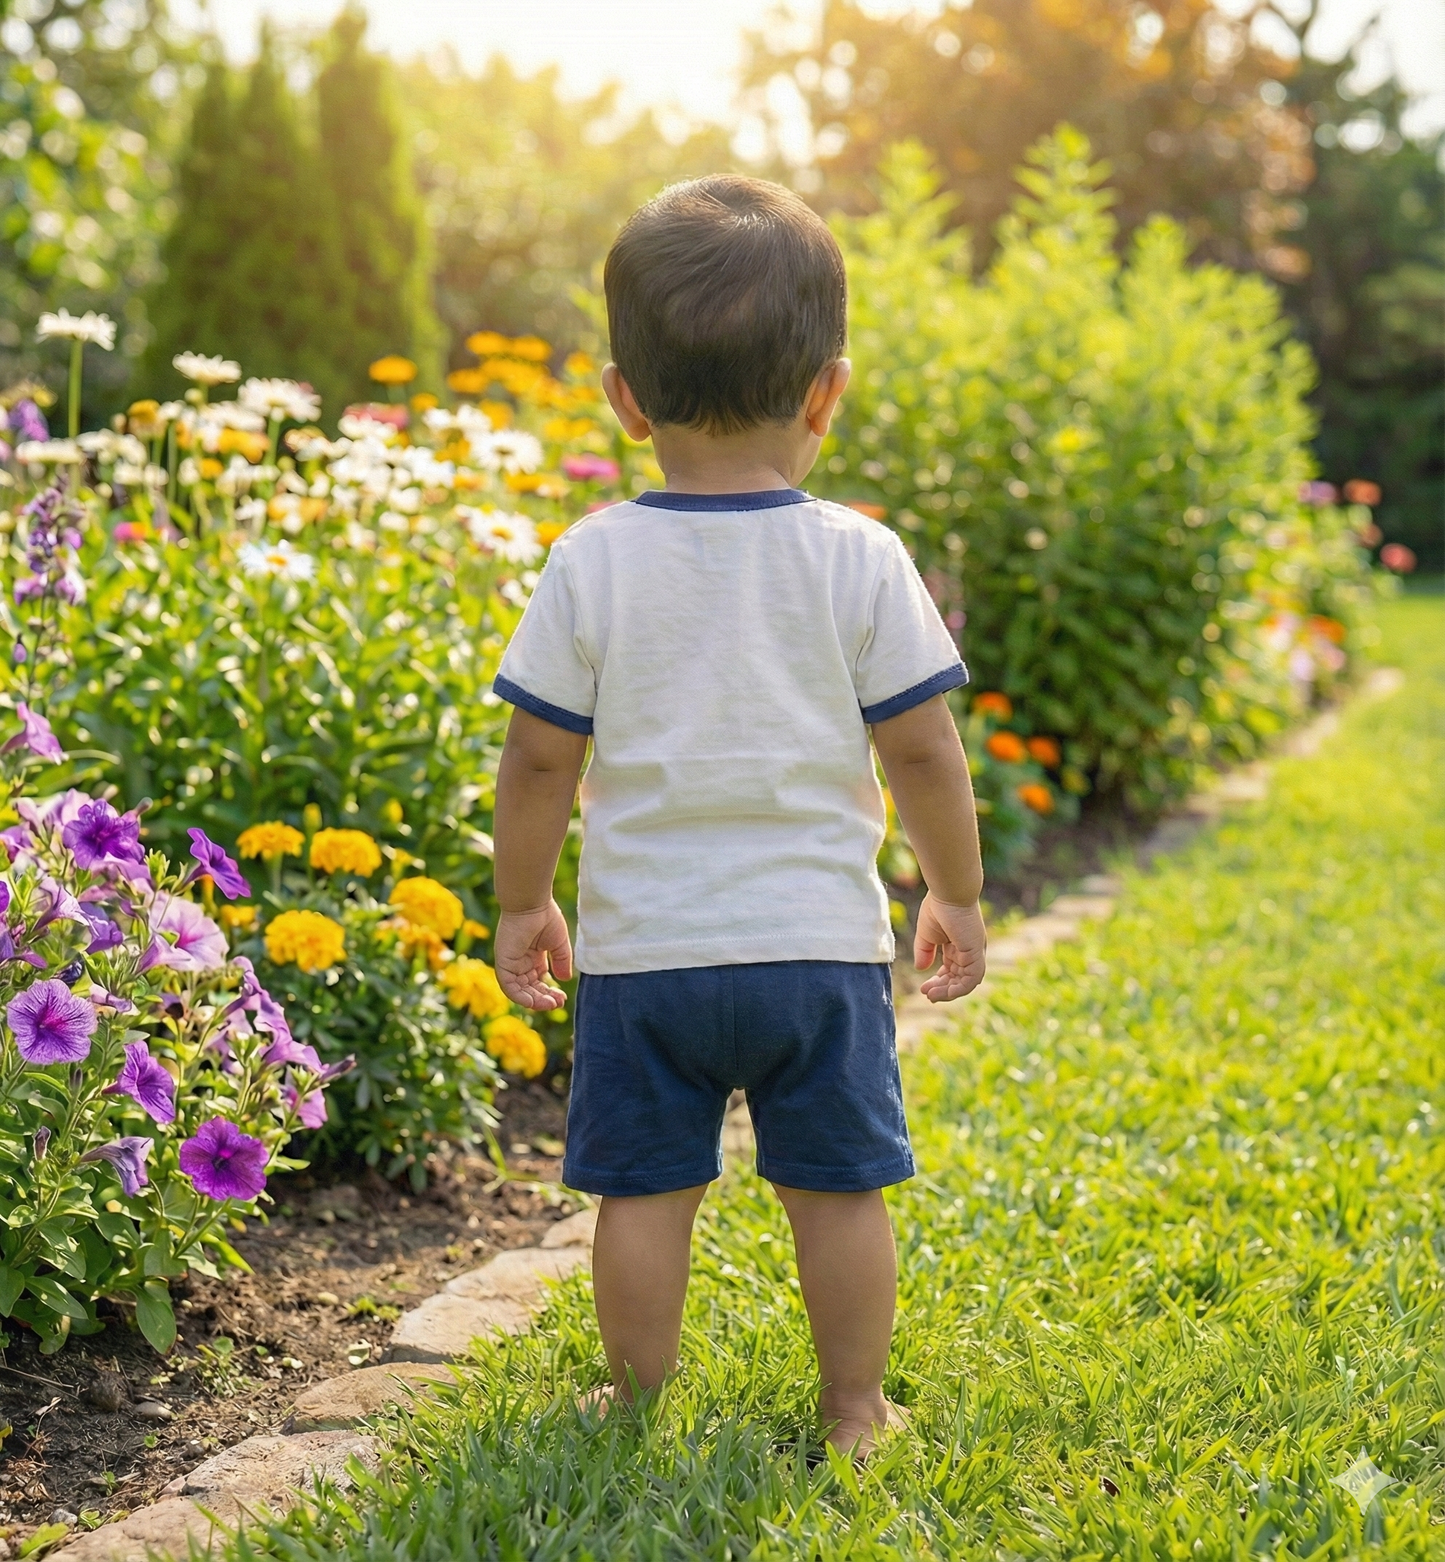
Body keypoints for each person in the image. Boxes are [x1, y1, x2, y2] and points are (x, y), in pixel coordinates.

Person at [490, 174, 987, 1458]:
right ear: (827, 391)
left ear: (625, 396)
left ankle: (632, 1397)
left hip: (645, 957)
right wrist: (955, 891)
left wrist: (522, 901)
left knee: (642, 1189)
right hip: (814, 950)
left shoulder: (590, 557)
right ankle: (854, 1407)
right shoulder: (857, 555)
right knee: (837, 1188)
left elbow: (541, 758)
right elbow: (922, 745)